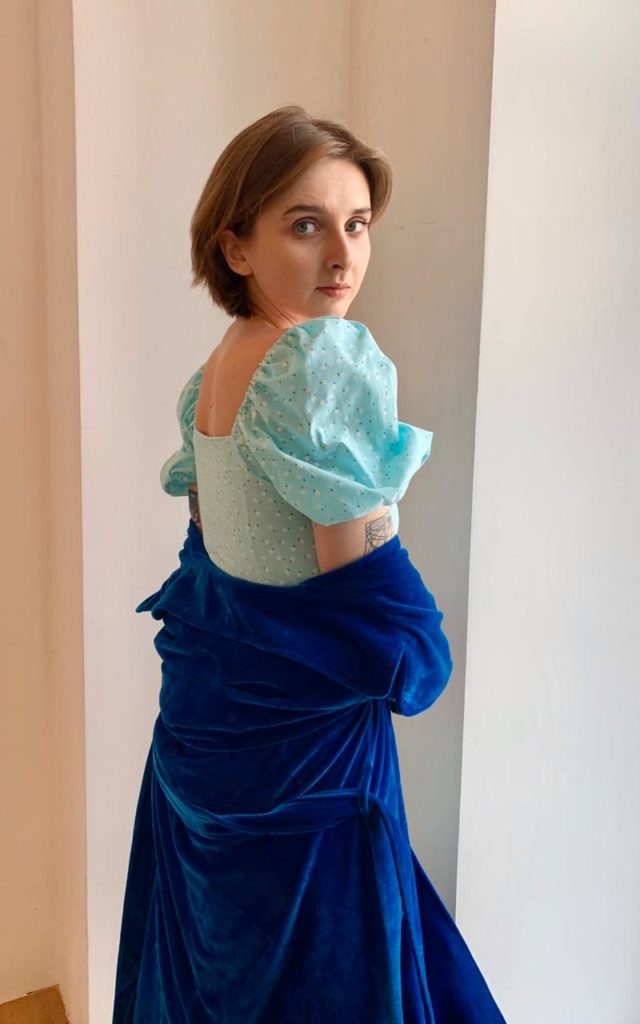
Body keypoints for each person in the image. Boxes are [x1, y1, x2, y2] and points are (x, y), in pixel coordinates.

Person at [112, 105, 507, 1023]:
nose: (342, 256)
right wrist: (422, 651)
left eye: (357, 224)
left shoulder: (219, 369)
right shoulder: (317, 362)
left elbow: (212, 557)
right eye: (305, 225)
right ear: (236, 246)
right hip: (307, 773)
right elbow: (392, 639)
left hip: (204, 744)